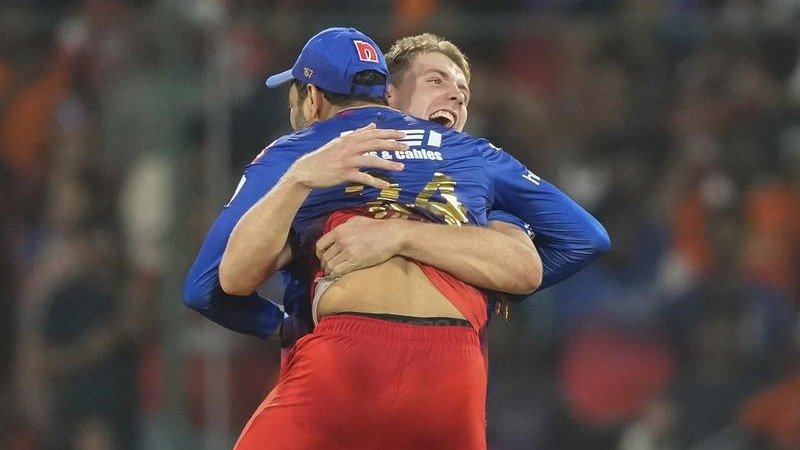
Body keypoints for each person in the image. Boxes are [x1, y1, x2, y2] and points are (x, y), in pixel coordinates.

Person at [184, 27, 609, 449]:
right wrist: (475, 281)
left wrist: (288, 321)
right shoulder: (475, 161)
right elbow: (581, 239)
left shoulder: (300, 151)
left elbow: (211, 287)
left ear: (311, 97)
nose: (456, 94)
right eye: (436, 80)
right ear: (386, 94)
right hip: (454, 370)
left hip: (346, 357)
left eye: (462, 87)